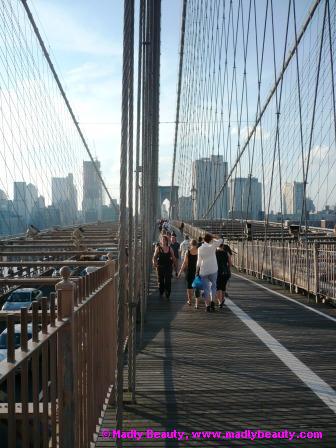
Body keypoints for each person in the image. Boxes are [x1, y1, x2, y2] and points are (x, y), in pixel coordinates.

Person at [196, 233, 223, 312]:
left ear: (204, 240)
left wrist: (197, 271)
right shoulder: (213, 246)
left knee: (206, 288)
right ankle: (212, 302)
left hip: (204, 270)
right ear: (210, 239)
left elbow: (199, 262)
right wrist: (214, 237)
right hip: (213, 269)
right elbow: (221, 240)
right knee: (213, 287)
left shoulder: (200, 249)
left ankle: (207, 306)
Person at [178, 239, 200, 308]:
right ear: (196, 244)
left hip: (189, 271)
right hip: (197, 271)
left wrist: (179, 272)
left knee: (189, 286)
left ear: (190, 244)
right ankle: (197, 304)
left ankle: (190, 300)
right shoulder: (199, 252)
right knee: (197, 287)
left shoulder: (188, 252)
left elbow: (185, 263)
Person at [216, 243, 232, 308]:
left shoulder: (215, 253)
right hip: (225, 271)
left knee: (218, 287)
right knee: (223, 287)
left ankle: (219, 301)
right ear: (223, 246)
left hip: (217, 271)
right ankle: (222, 299)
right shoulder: (226, 253)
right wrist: (227, 268)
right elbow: (230, 264)